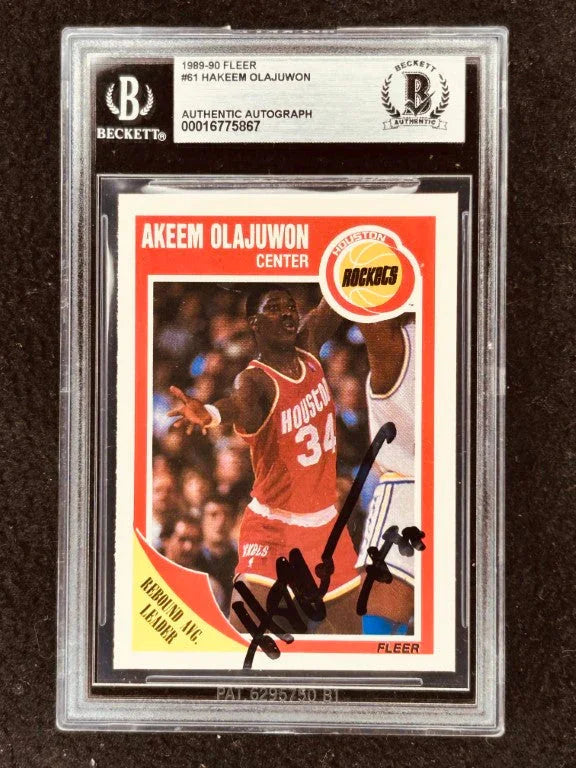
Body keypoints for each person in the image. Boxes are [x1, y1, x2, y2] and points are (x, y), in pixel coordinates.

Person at [168, 287, 409, 634]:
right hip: (274, 527)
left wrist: (350, 269)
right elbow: (238, 404)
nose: (286, 313)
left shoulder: (308, 345)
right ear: (254, 323)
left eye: (290, 307)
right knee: (243, 635)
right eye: (274, 308)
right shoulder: (254, 380)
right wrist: (209, 413)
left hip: (324, 525)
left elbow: (332, 304)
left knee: (349, 642)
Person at [358, 314, 416, 632]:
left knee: (382, 632)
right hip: (439, 487)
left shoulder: (396, 342)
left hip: (408, 491)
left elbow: (365, 301)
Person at [199, 495, 239, 613]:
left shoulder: (243, 561)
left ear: (234, 521)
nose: (221, 522)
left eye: (227, 515)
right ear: (201, 520)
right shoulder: (190, 558)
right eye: (213, 515)